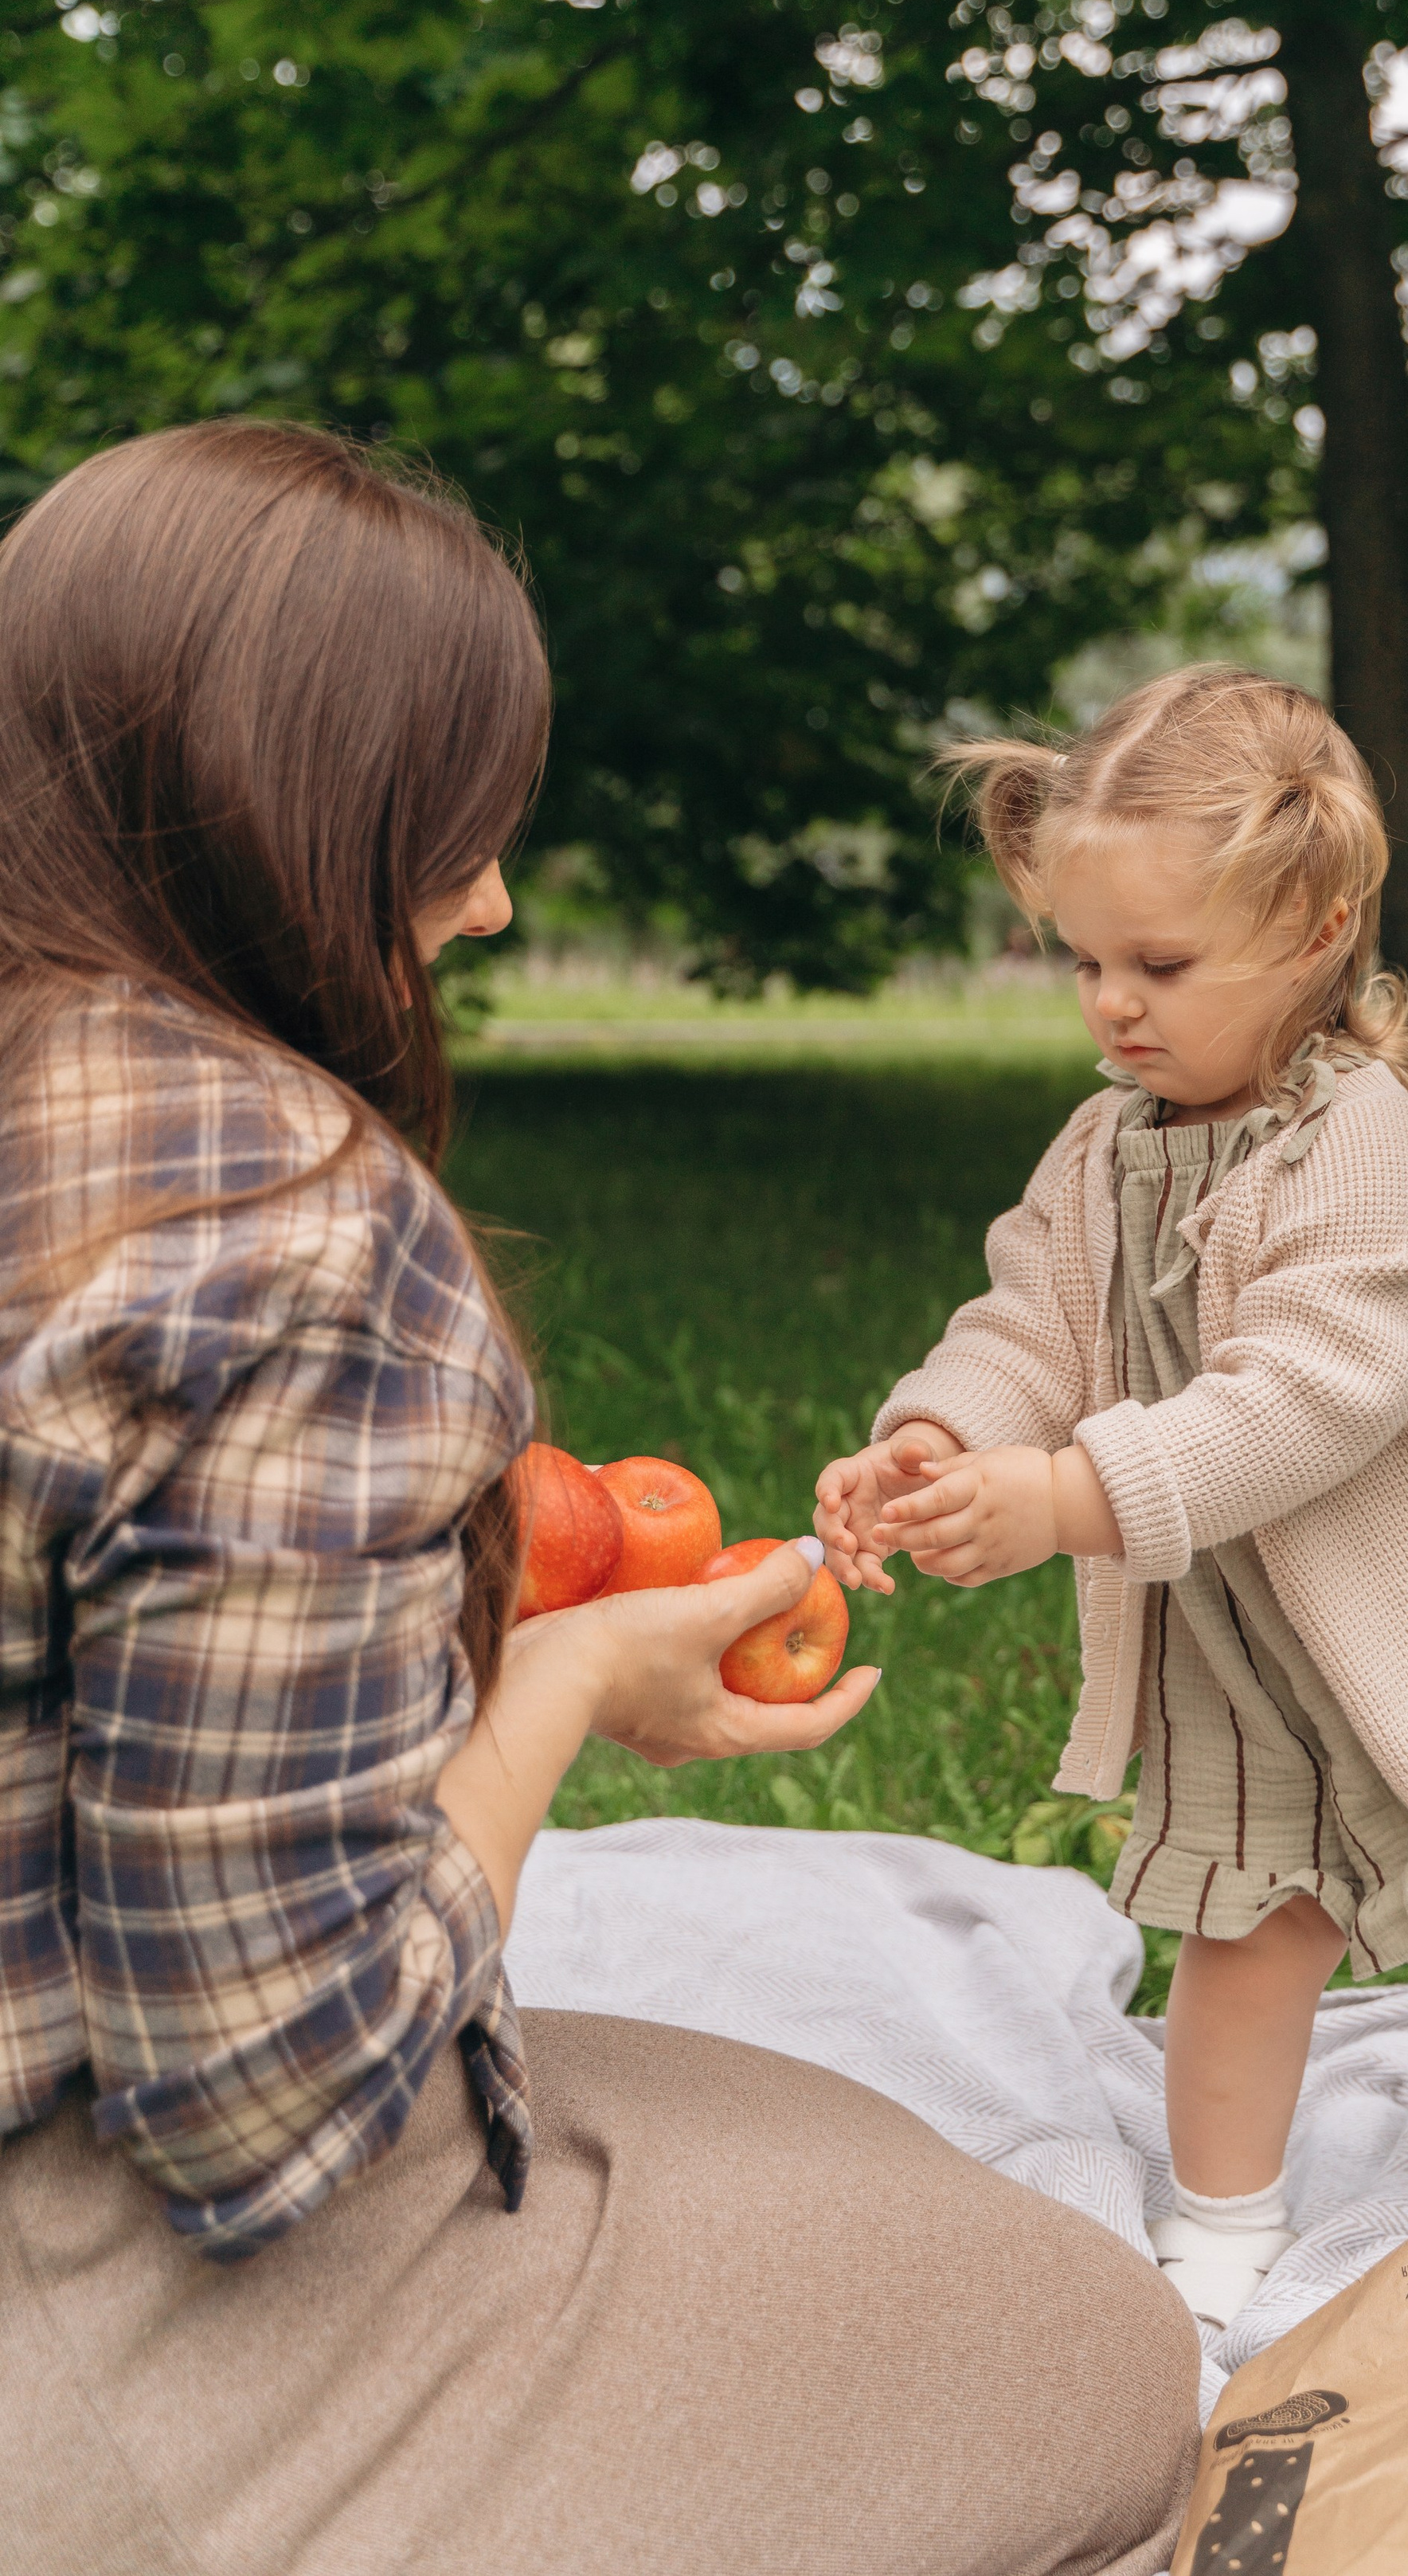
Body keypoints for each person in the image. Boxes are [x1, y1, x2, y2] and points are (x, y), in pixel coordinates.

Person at [0, 423, 1200, 2576]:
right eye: (453, 820)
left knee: (818, 2137)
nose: (490, 894)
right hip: (97, 2309)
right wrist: (552, 1680)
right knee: (1102, 2347)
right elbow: (257, 2103)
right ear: (297, 800)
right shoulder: (288, 1231)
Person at [817, 666, 1408, 2335]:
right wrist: (945, 1434)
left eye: (1159, 964)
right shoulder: (1102, 1148)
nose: (1110, 1003)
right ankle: (1221, 2219)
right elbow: (1036, 1315)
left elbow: (1297, 1399)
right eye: (1083, 959)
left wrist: (1067, 1491)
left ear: (1313, 929)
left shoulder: (1359, 1145)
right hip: (1241, 1643)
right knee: (1241, 1941)